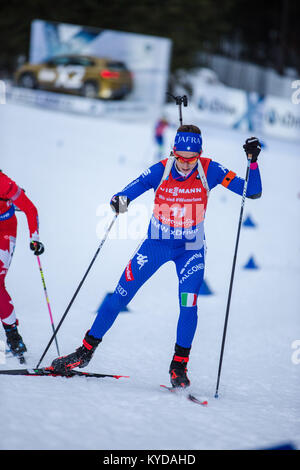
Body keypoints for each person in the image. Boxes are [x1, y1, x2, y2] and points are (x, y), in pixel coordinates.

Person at [51, 125, 262, 388]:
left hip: (191, 250)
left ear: (200, 154)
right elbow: (130, 190)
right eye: (181, 157)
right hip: (155, 246)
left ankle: (179, 366)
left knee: (188, 303)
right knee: (119, 296)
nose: (186, 165)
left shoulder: (211, 169)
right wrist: (120, 202)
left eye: (192, 158)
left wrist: (252, 162)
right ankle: (85, 351)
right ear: (173, 152)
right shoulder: (160, 169)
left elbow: (251, 192)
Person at [0, 170, 44, 357]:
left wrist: (35, 238)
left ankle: (14, 340)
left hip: (5, 232)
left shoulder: (5, 184)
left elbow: (30, 208)